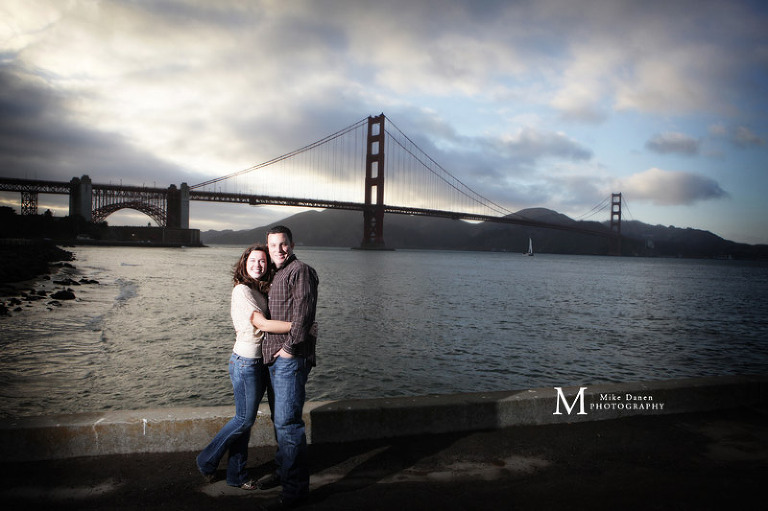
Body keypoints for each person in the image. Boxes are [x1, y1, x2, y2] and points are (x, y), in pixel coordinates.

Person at [196, 244, 291, 489]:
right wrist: (297, 326)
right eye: (253, 261)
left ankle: (236, 475)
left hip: (259, 362)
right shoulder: (242, 291)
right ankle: (206, 459)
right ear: (244, 263)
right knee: (243, 420)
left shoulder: (257, 289)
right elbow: (261, 323)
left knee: (244, 423)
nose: (258, 265)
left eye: (262, 261)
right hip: (245, 362)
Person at [254, 225, 319, 510]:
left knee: (289, 425)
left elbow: (304, 313)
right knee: (280, 422)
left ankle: (295, 492)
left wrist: (289, 350)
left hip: (288, 359)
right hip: (273, 359)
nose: (278, 250)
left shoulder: (300, 271)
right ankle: (283, 473)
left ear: (291, 244)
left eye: (283, 244)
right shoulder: (277, 273)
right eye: (272, 246)